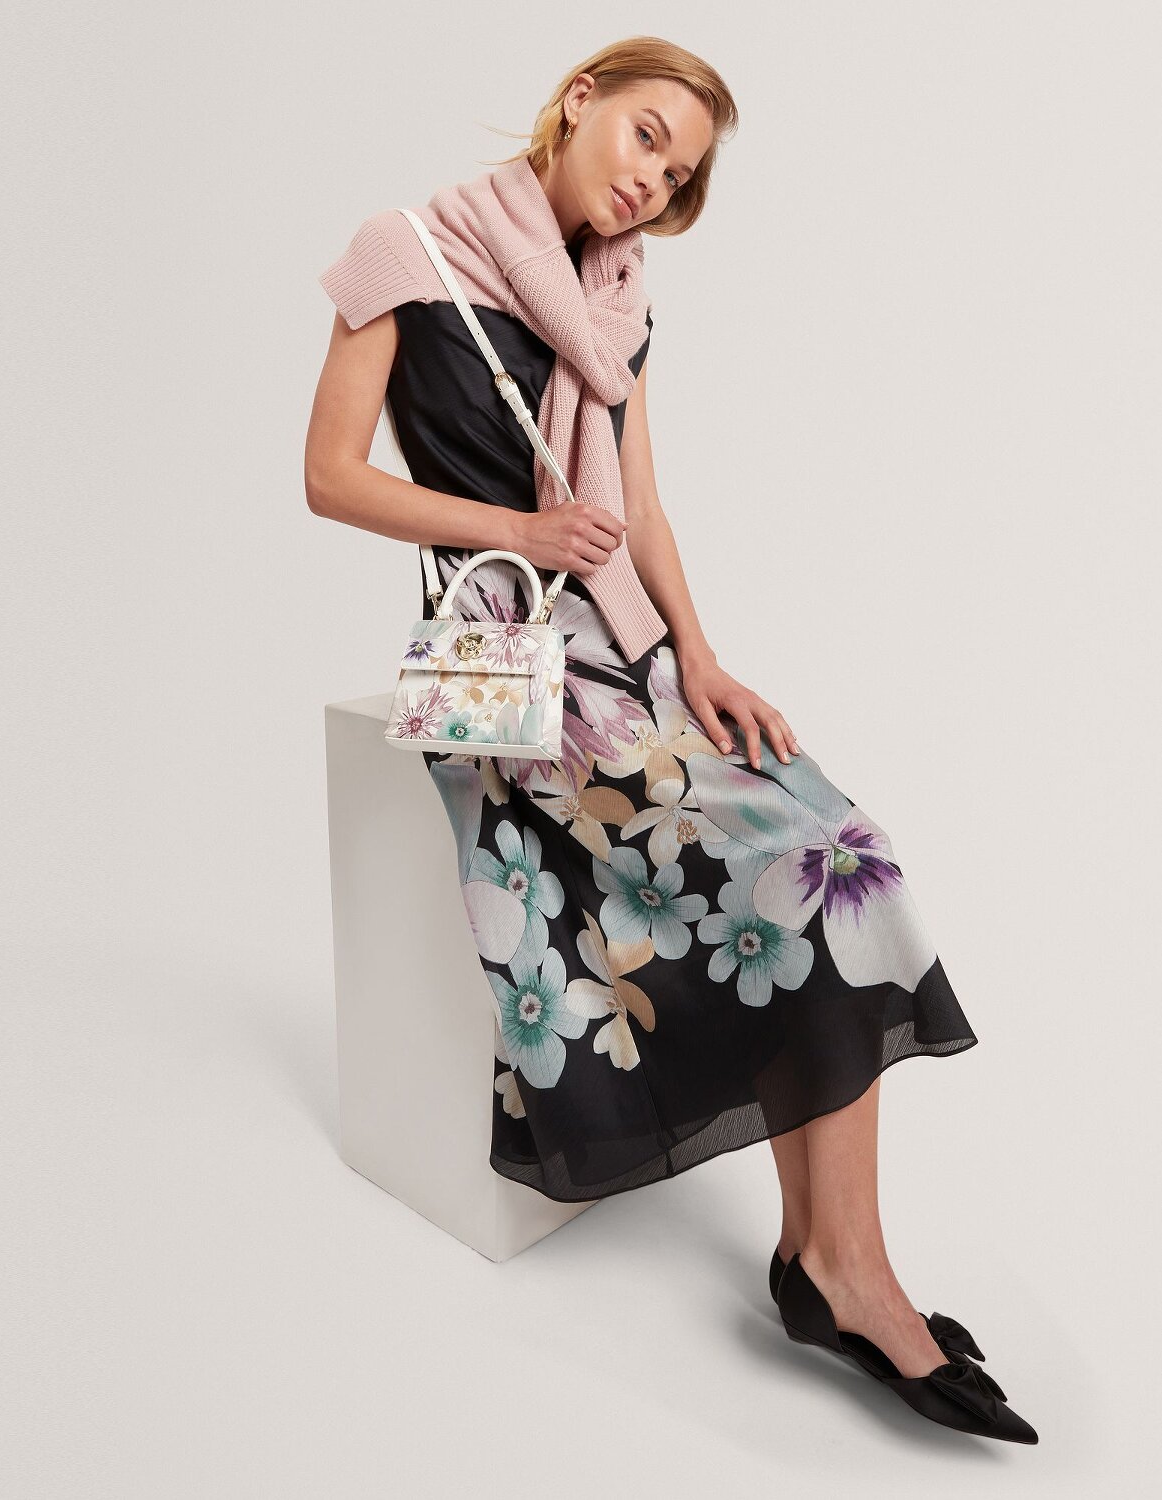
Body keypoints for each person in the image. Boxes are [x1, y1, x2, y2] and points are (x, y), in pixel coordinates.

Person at [304, 36, 1035, 1444]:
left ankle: (830, 1260)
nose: (654, 181)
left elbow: (642, 511)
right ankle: (846, 1279)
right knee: (797, 879)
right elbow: (330, 476)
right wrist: (521, 530)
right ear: (580, 99)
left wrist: (701, 657)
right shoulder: (407, 250)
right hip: (506, 656)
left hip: (630, 649)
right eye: (647, 136)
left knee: (847, 856)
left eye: (681, 171)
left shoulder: (617, 300)